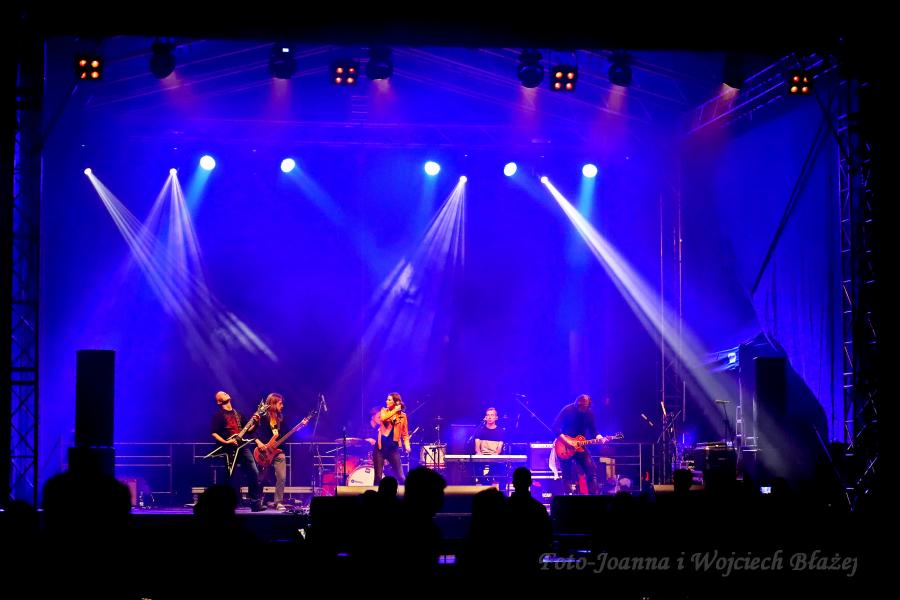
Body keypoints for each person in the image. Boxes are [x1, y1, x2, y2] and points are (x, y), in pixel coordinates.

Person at [210, 391, 264, 511]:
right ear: (219, 401)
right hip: (228, 448)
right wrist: (226, 442)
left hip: (242, 447)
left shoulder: (238, 414)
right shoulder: (218, 416)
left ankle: (255, 503)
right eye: (222, 394)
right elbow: (214, 433)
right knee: (230, 476)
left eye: (225, 392)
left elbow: (248, 430)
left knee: (254, 472)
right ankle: (226, 504)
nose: (225, 393)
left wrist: (256, 423)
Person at [551, 394, 610, 495]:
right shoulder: (567, 410)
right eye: (580, 405)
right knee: (567, 474)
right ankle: (568, 497)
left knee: (591, 470)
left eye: (584, 406)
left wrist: (599, 437)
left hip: (580, 447)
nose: (581, 408)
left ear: (588, 406)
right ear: (577, 403)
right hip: (564, 446)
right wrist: (567, 442)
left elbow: (593, 430)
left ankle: (594, 496)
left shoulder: (589, 414)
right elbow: (555, 427)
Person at [255, 392, 288, 511]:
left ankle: (278, 502)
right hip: (264, 452)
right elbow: (253, 433)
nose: (282, 406)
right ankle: (257, 500)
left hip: (278, 452)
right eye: (280, 403)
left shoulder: (281, 419)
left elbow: (284, 435)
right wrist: (259, 444)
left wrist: (300, 426)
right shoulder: (263, 417)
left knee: (282, 477)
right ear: (273, 403)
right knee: (261, 478)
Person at [372, 392, 410, 484]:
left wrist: (407, 445)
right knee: (378, 477)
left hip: (393, 449)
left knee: (401, 476)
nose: (386, 401)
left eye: (389, 400)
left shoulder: (403, 416)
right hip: (380, 449)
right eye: (387, 399)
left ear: (396, 402)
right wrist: (395, 410)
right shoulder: (384, 411)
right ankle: (376, 493)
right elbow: (384, 418)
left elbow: (405, 434)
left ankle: (406, 492)